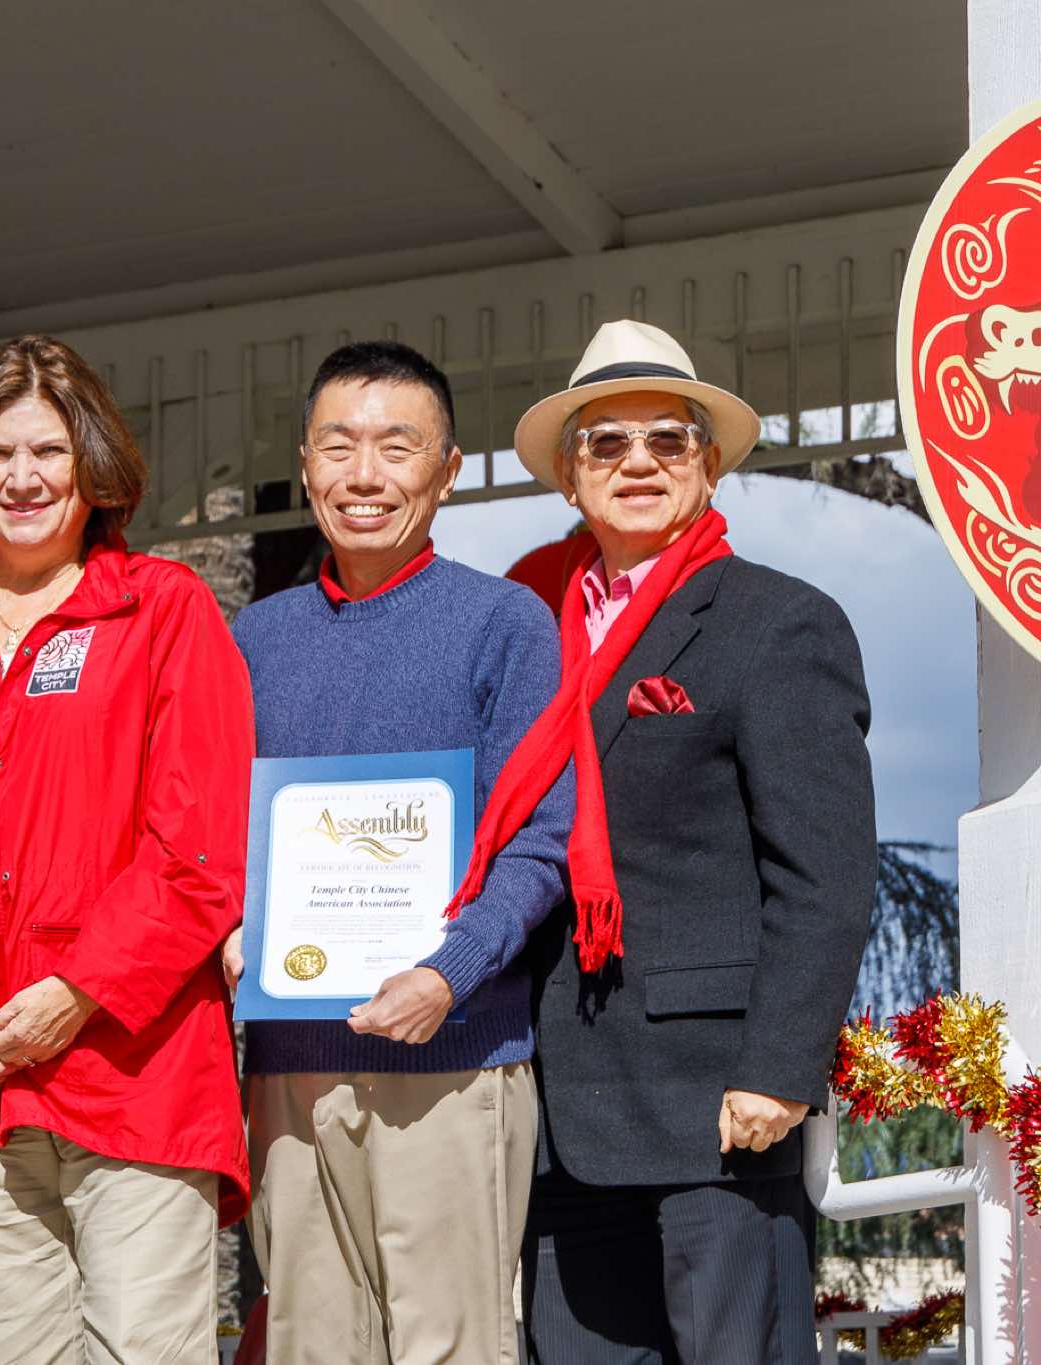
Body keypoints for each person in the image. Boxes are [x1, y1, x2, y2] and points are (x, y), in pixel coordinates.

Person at [0, 335, 253, 1364]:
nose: (21, 478)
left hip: (133, 1073)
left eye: (48, 451)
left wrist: (78, 990)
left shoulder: (163, 610)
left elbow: (197, 848)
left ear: (93, 465)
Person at [498, 321, 875, 1363]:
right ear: (568, 474)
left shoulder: (777, 622)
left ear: (708, 466)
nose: (637, 462)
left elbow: (825, 875)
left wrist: (780, 1067)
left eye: (666, 439)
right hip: (561, 1115)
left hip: (719, 1110)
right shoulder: (526, 633)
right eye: (606, 442)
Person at [225, 340, 572, 1365]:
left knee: (448, 1349)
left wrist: (448, 972)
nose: (363, 475)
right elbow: (213, 830)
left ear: (446, 470)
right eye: (338, 447)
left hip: (451, 1058)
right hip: (290, 1064)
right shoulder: (252, 641)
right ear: (306, 465)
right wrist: (230, 927)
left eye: (396, 446)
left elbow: (539, 842)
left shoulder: (504, 624)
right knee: (308, 1345)